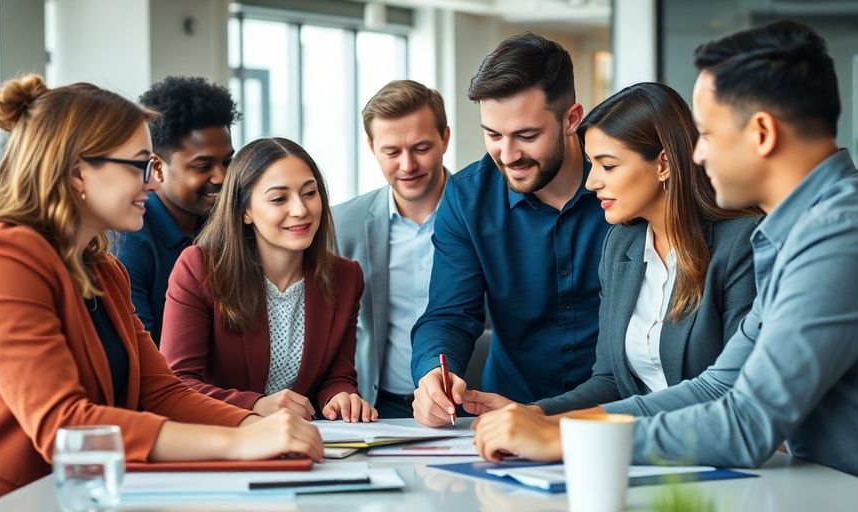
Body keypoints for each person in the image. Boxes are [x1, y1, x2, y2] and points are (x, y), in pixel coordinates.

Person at [473, 21, 858, 502]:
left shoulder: (844, 234)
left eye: (708, 133)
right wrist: (556, 422)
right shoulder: (801, 230)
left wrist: (565, 437)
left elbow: (749, 423)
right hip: (828, 490)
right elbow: (719, 387)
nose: (696, 152)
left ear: (761, 133)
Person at [0, 75, 322, 512]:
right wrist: (239, 442)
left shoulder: (103, 270)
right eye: (141, 165)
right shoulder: (2, 259)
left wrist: (257, 424)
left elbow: (161, 392)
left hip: (79, 496)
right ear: (77, 172)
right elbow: (66, 427)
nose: (151, 183)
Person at [463, 82, 759, 419]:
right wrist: (536, 413)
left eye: (608, 166)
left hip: (706, 448)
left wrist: (562, 425)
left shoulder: (740, 244)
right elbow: (610, 381)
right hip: (633, 451)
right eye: (591, 164)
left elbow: (732, 390)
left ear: (663, 164)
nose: (591, 182)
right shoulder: (621, 245)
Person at [410, 32, 611, 427]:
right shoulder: (467, 199)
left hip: (618, 417)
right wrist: (434, 372)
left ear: (572, 119)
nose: (508, 154)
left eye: (527, 135)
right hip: (509, 416)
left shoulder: (623, 183)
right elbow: (450, 314)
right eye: (493, 135)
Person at [160, 137, 377, 422]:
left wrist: (341, 397)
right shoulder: (199, 268)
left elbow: (337, 376)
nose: (301, 209)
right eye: (279, 199)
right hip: (223, 439)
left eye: (310, 193)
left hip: (301, 442)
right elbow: (177, 384)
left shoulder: (345, 277)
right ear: (245, 211)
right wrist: (255, 405)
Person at [333, 80, 450, 418]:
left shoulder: (483, 213)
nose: (407, 165)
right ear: (371, 147)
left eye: (421, 148)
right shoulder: (343, 223)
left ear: (444, 138)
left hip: (471, 401)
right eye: (392, 152)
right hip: (376, 405)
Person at [113, 76, 238, 346]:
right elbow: (143, 354)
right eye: (203, 167)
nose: (221, 177)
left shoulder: (234, 223)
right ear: (157, 167)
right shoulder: (129, 240)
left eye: (228, 162)